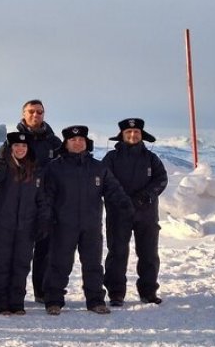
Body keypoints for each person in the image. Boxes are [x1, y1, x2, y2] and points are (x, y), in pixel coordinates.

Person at [42, 125, 133, 315]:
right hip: (63, 225)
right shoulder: (54, 168)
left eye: (81, 140)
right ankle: (53, 301)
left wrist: (126, 207)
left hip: (91, 225)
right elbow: (46, 196)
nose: (77, 143)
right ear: (66, 144)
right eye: (73, 140)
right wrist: (46, 218)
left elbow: (113, 190)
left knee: (93, 264)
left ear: (86, 143)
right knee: (59, 263)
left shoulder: (98, 168)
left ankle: (95, 301)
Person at [102, 118, 168, 306]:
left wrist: (146, 195)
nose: (133, 135)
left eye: (136, 132)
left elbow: (161, 179)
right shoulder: (111, 158)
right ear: (122, 136)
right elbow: (106, 181)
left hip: (146, 213)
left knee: (148, 253)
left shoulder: (151, 159)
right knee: (117, 253)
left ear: (142, 135)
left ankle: (148, 292)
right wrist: (121, 199)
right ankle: (116, 293)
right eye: (128, 133)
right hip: (118, 213)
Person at [0, 132, 50, 316]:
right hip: (2, 225)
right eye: (15, 146)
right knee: (1, 263)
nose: (20, 149)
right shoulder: (3, 166)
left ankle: (16, 301)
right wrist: (0, 155)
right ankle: (1, 303)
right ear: (9, 148)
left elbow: (42, 199)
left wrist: (43, 220)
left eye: (23, 146)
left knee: (21, 263)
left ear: (28, 149)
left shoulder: (36, 171)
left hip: (26, 226)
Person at [14, 99, 62, 304]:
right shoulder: (15, 139)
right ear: (23, 114)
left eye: (39, 112)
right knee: (20, 251)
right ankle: (15, 294)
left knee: (46, 250)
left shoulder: (54, 142)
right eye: (31, 111)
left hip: (48, 202)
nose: (36, 115)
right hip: (21, 202)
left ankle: (41, 292)